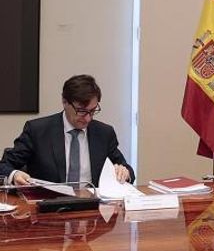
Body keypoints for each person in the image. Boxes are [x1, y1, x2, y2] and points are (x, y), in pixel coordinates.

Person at [0, 74, 134, 186]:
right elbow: (4, 166)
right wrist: (15, 174)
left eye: (92, 111)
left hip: (92, 208)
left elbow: (127, 170)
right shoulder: (37, 131)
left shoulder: (104, 133)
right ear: (65, 102)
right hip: (48, 208)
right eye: (81, 111)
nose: (88, 119)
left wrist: (125, 173)